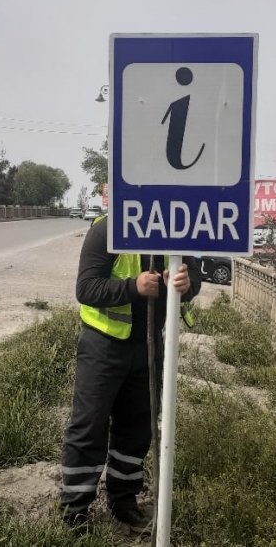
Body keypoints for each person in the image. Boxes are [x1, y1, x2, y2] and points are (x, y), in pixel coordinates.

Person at [59, 215, 201, 533]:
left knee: (137, 430)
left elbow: (193, 275)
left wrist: (187, 284)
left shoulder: (176, 230)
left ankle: (123, 501)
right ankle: (74, 511)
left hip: (149, 347)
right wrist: (133, 287)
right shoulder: (106, 230)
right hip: (102, 346)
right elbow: (86, 287)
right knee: (89, 426)